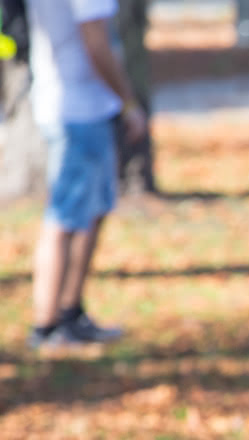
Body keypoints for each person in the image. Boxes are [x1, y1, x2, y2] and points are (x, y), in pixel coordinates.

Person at [26, 0, 147, 351]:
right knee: (65, 218)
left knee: (92, 212)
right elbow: (96, 42)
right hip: (77, 111)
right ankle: (47, 326)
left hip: (77, 106)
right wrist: (128, 102)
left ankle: (71, 313)